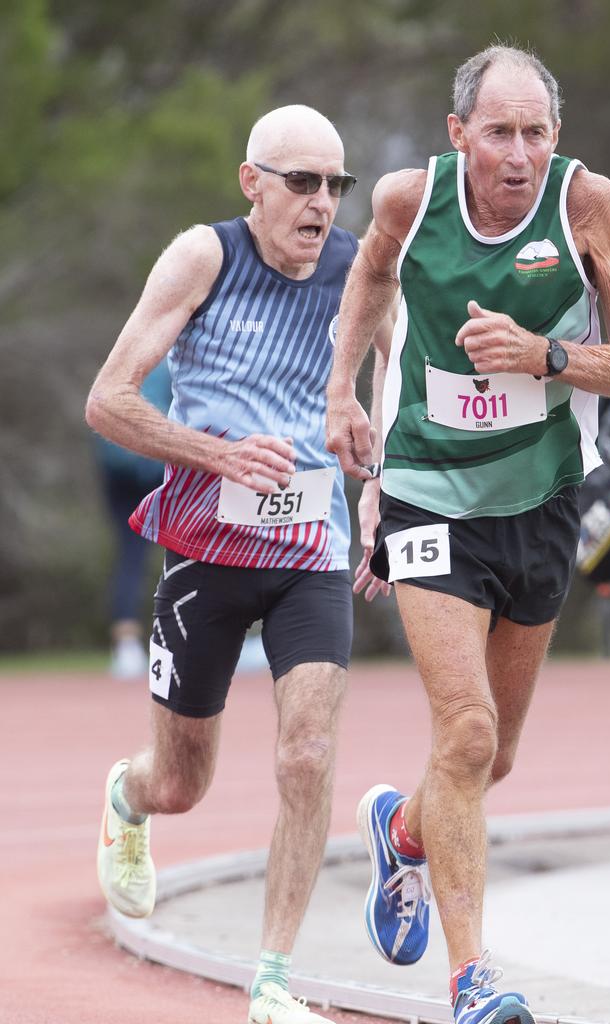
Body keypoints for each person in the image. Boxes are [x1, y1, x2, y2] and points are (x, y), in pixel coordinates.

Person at [326, 45, 610, 1024]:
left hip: (543, 497)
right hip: (430, 491)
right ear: (458, 132)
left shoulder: (586, 205)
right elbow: (370, 281)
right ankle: (475, 979)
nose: (518, 153)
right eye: (499, 131)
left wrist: (544, 353)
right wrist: (341, 392)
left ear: (556, 138)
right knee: (463, 730)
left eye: (536, 133)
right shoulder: (404, 201)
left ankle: (406, 829)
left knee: (492, 756)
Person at [86, 104, 386, 1024]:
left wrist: (375, 487)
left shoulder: (363, 269)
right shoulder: (201, 258)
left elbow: (396, 386)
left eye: (337, 185)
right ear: (251, 183)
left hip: (311, 551)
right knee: (184, 784)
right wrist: (218, 454)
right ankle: (126, 799)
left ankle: (273, 979)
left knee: (308, 751)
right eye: (303, 182)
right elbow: (108, 402)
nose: (323, 204)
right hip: (206, 544)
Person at [92, 361, 172, 678]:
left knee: (130, 556)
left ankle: (126, 647)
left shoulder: (121, 354)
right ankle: (203, 639)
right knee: (197, 545)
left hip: (115, 466)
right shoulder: (176, 361)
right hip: (157, 462)